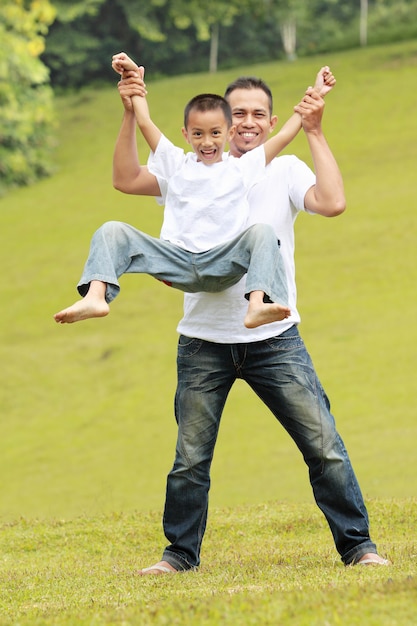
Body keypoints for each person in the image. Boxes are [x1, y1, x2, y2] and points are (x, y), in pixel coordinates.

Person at [114, 61, 389, 574]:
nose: (246, 121)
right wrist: (131, 111)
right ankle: (178, 556)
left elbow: (332, 203)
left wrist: (314, 131)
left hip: (275, 338)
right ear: (217, 121)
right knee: (190, 460)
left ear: (269, 121)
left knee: (323, 445)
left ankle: (359, 548)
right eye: (236, 112)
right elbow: (127, 178)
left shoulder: (280, 169)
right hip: (203, 340)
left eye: (258, 114)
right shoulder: (195, 169)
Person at [54, 55, 334, 329]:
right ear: (186, 135)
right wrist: (132, 81)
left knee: (263, 233)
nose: (207, 141)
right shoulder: (177, 165)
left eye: (215, 133)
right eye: (198, 134)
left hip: (222, 263)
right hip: (177, 262)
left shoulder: (242, 168)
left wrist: (313, 99)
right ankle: (95, 297)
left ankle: (257, 304)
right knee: (111, 231)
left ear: (228, 132)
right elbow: (145, 123)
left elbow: (285, 135)